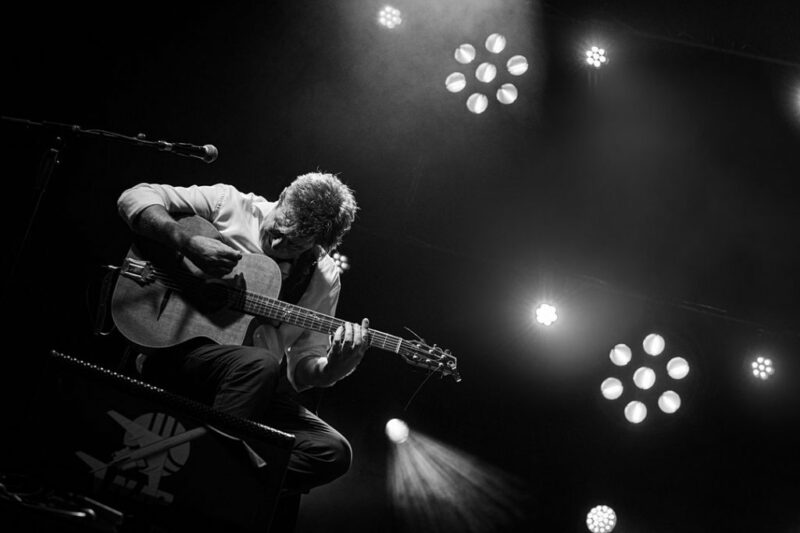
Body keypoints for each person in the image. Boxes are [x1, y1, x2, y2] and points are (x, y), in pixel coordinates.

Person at [116, 172, 369, 528]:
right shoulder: (229, 203)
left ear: (319, 247)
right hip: (180, 355)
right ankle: (204, 504)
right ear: (281, 197)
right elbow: (134, 196)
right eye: (278, 228)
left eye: (294, 244)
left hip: (249, 389)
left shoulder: (323, 276)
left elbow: (302, 368)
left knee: (331, 452)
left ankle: (207, 479)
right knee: (261, 364)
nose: (278, 243)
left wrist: (336, 368)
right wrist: (187, 243)